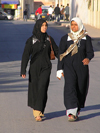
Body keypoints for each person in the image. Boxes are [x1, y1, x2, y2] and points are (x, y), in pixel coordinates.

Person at [57, 17, 94, 122]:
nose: (73, 27)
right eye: (72, 24)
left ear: (80, 25)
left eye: (75, 24)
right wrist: (60, 69)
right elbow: (61, 55)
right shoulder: (65, 39)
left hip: (82, 68)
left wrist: (88, 58)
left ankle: (77, 109)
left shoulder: (86, 39)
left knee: (81, 88)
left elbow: (90, 52)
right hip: (69, 67)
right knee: (70, 87)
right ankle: (71, 112)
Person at [20, 19, 58, 122]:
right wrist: (23, 70)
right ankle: (37, 109)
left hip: (46, 67)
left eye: (46, 25)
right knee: (35, 89)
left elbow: (57, 52)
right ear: (38, 26)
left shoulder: (49, 39)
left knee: (42, 88)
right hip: (34, 68)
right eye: (42, 25)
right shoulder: (31, 40)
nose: (44, 27)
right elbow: (26, 55)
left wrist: (66, 62)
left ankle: (38, 111)